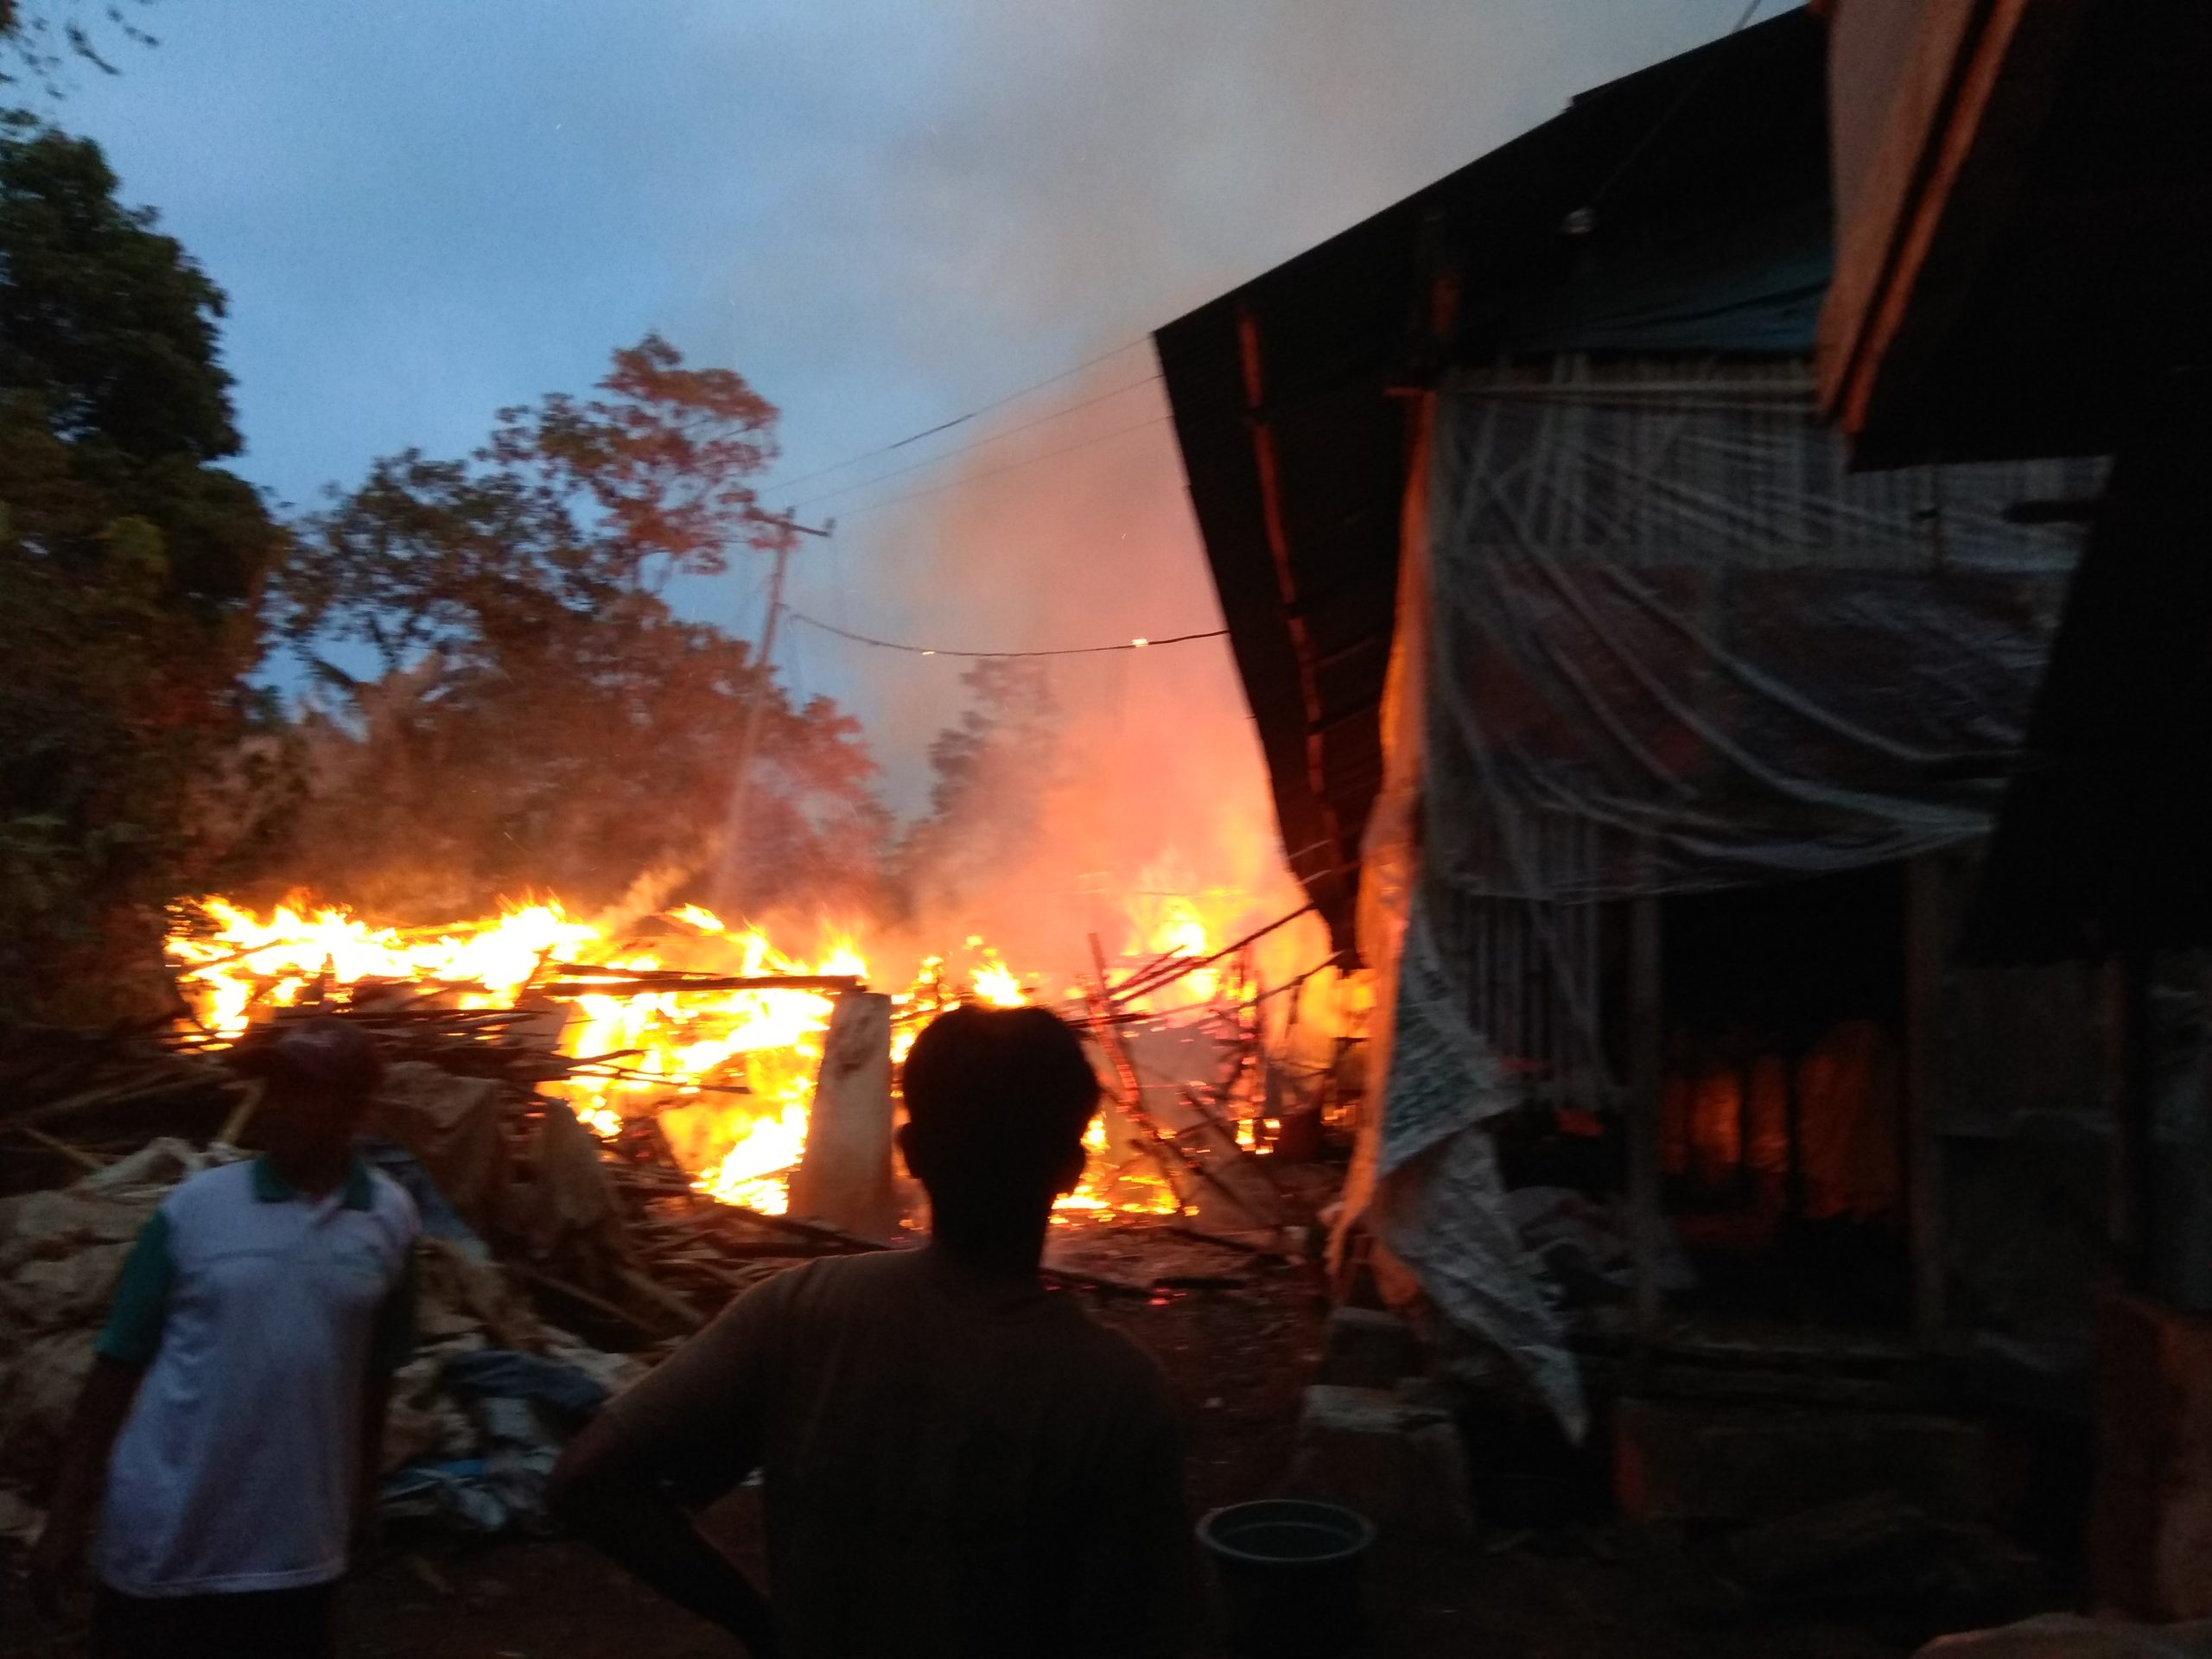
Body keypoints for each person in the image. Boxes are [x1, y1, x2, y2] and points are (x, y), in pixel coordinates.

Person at [551, 1003, 1195, 1658]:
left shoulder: (799, 1310)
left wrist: (757, 1625)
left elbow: (588, 1479)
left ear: (910, 1155)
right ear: (1071, 1168)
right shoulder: (1114, 1394)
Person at [30, 1016, 419, 1659]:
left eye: (302, 1091)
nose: (275, 1108)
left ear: (355, 1110)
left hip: (298, 1547)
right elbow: (117, 1363)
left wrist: (363, 1495)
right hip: (167, 1532)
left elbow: (377, 1371)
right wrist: (67, 1515)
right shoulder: (196, 1210)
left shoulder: (391, 1218)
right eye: (271, 1088)